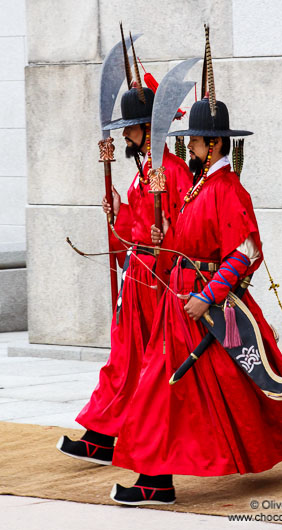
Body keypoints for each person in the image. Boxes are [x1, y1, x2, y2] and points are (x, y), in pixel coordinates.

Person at [109, 89, 282, 503]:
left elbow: (246, 251)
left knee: (258, 383)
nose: (189, 146)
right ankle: (156, 479)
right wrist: (163, 236)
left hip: (211, 307)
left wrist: (208, 295)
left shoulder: (229, 189)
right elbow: (190, 241)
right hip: (182, 305)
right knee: (165, 387)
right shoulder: (199, 186)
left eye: (195, 140)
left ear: (213, 144)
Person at [56, 64, 193, 465]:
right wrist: (117, 212)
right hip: (139, 279)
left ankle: (119, 438)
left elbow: (184, 235)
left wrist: (162, 242)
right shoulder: (144, 173)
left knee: (146, 366)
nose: (124, 134)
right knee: (125, 361)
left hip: (159, 284)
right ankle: (101, 434)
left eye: (131, 127)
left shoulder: (171, 171)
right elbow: (130, 235)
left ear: (149, 128)